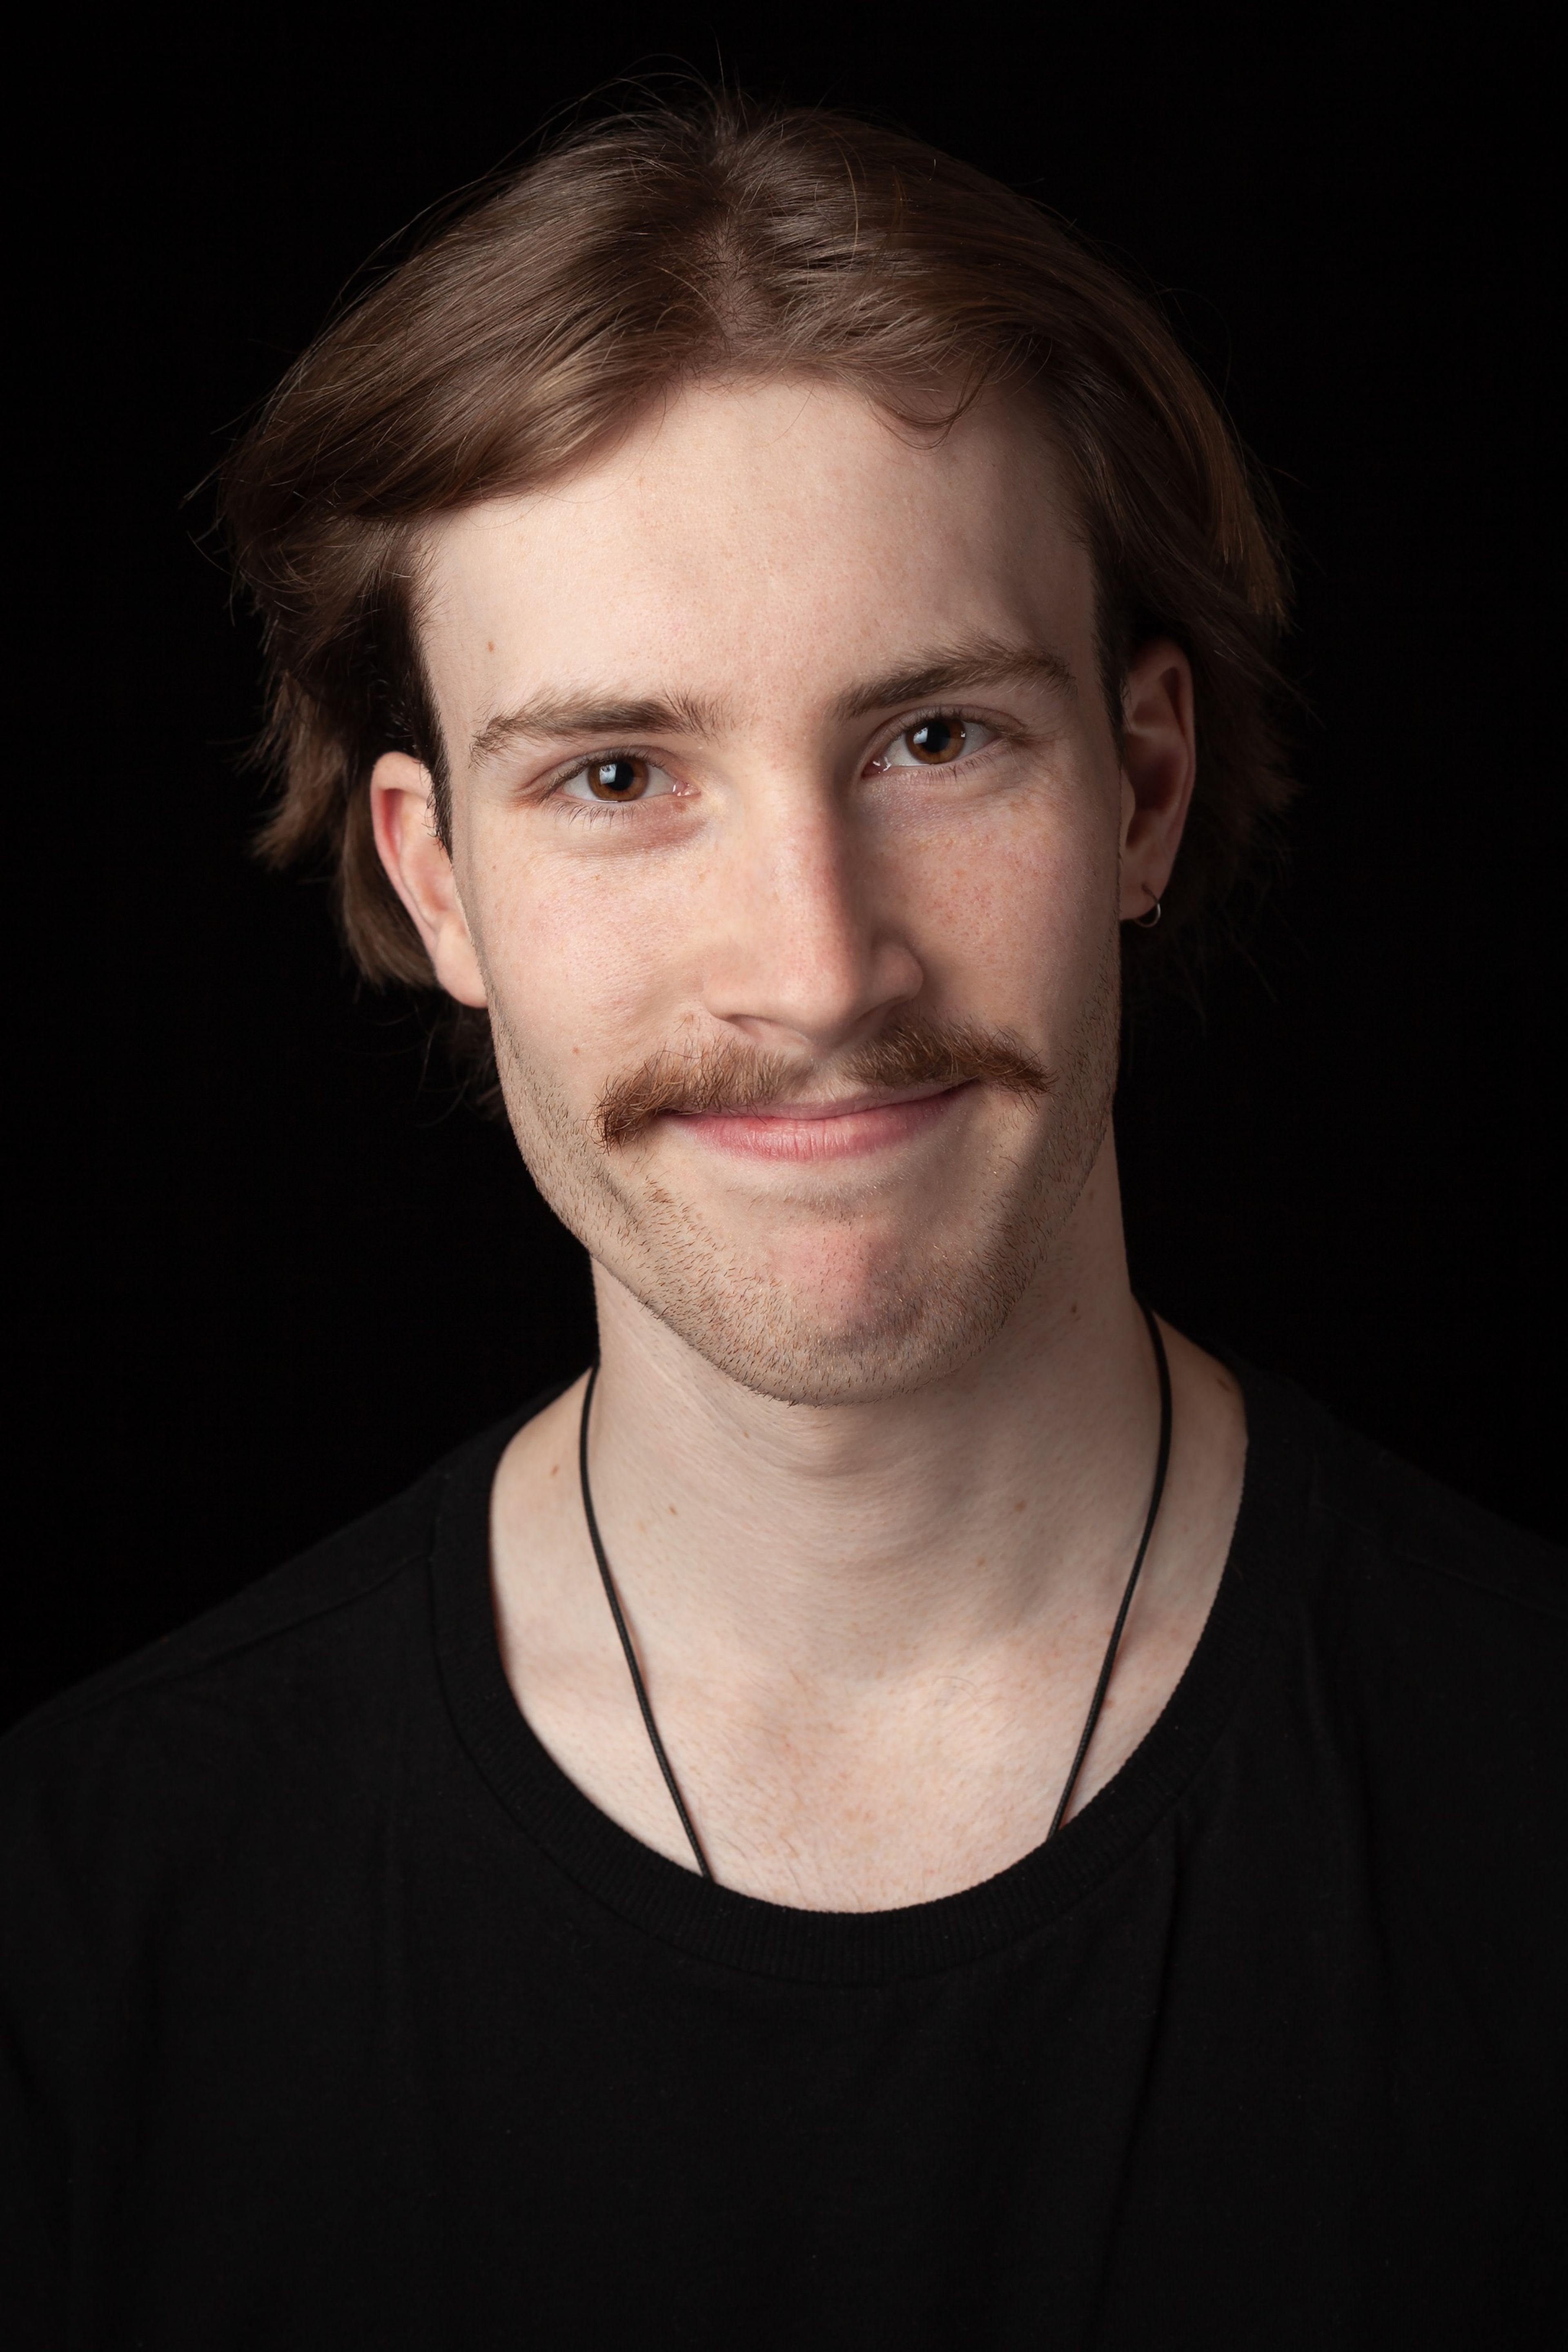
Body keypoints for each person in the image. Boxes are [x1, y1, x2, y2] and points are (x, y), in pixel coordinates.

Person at [2, 94, 1562, 2351]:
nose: (821, 969)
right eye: (620, 778)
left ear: (1144, 779)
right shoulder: (86, 1923)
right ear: (440, 877)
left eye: (936, 739)